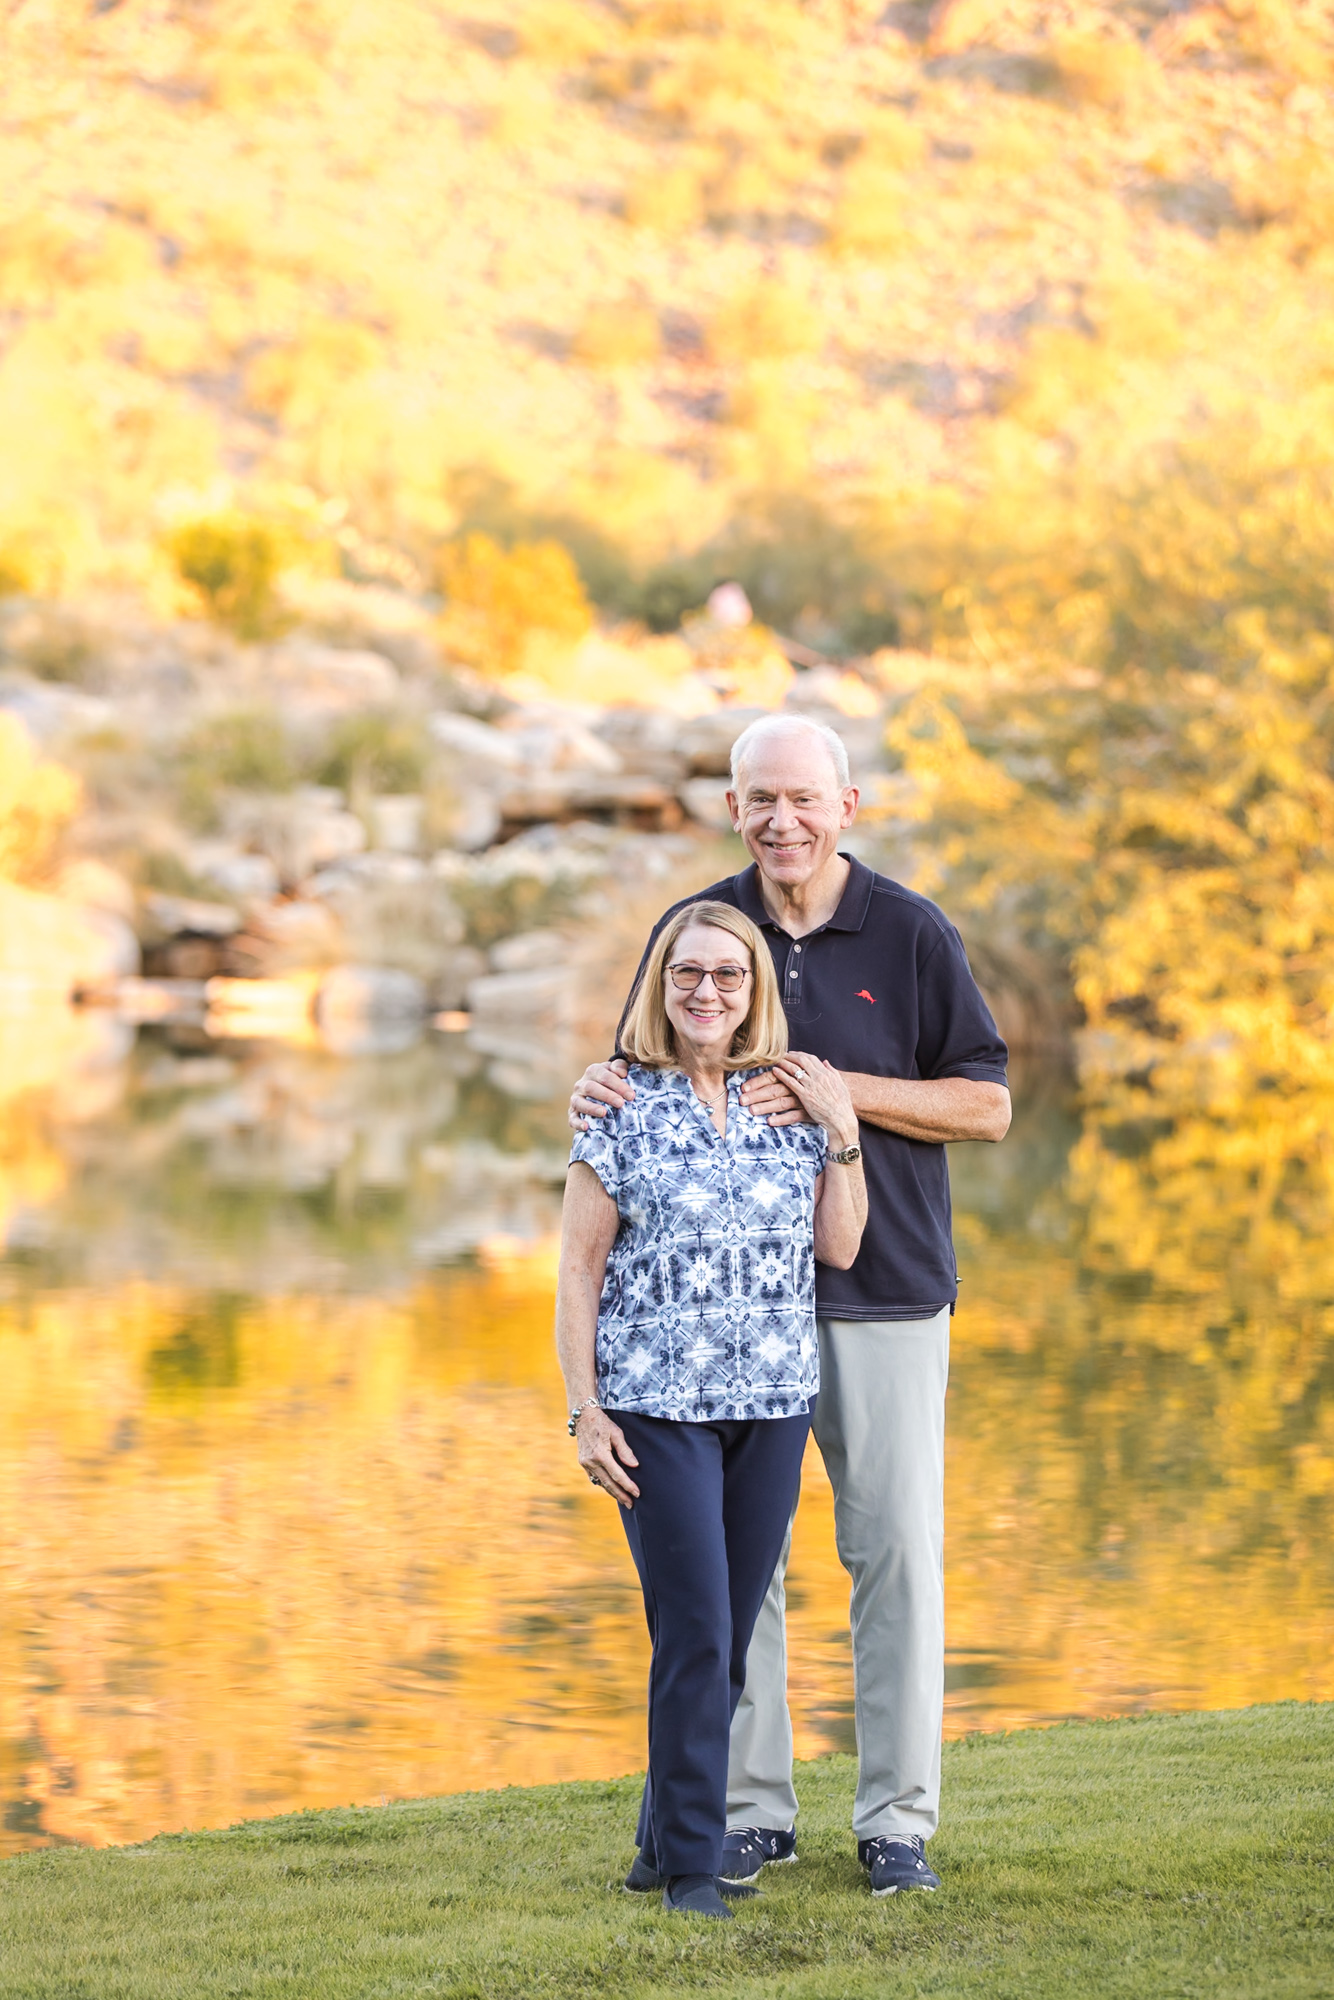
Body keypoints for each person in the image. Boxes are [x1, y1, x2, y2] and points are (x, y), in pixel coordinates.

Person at [569, 713, 1010, 1898]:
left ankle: (894, 1822)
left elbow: (987, 1106)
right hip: (718, 1317)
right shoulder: (700, 928)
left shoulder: (908, 931)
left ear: (846, 806)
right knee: (733, 1572)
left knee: (892, 1554)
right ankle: (746, 1814)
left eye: (804, 799)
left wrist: (836, 1098)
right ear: (732, 808)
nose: (782, 820)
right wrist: (597, 1081)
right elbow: (635, 1063)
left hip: (883, 1291)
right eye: (760, 798)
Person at [556, 899, 867, 1920]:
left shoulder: (786, 1103)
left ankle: (658, 1839)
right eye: (686, 973)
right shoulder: (618, 1105)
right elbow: (578, 1266)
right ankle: (694, 1865)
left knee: (723, 1636)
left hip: (771, 1401)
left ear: (752, 991)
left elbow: (839, 1248)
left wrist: (844, 1132)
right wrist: (583, 1409)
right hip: (657, 1405)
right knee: (694, 1627)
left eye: (727, 975)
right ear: (660, 984)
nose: (705, 991)